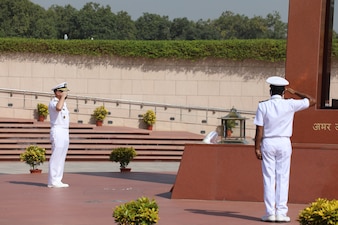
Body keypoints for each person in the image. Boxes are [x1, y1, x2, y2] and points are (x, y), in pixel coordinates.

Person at [254, 76, 316, 222]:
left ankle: (270, 212)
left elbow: (259, 130)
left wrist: (257, 148)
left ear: (270, 91)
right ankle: (281, 212)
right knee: (283, 177)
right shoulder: (290, 104)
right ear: (283, 92)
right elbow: (312, 100)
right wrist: (295, 92)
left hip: (268, 142)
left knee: (269, 178)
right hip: (284, 142)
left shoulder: (263, 106)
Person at [47, 82, 70, 188]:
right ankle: (52, 181)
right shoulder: (54, 102)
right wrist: (62, 98)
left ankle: (58, 179)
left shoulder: (63, 103)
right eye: (63, 91)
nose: (65, 94)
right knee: (56, 155)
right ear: (57, 92)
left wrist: (63, 98)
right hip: (57, 130)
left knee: (62, 156)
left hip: (65, 131)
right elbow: (58, 108)